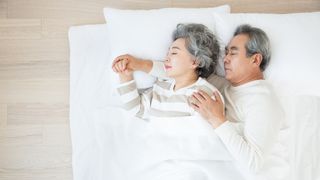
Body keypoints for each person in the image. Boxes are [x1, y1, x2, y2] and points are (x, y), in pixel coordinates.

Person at [114, 24, 289, 180]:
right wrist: (137, 65)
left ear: (255, 59)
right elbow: (181, 73)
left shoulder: (263, 101)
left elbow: (253, 163)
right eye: (226, 52)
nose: (225, 58)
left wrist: (218, 120)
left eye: (233, 53)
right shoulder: (226, 85)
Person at [112, 23, 223, 119]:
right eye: (167, 53)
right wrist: (125, 75)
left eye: (174, 53)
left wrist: (139, 64)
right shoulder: (161, 86)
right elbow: (137, 111)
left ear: (195, 62)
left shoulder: (204, 94)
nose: (166, 58)